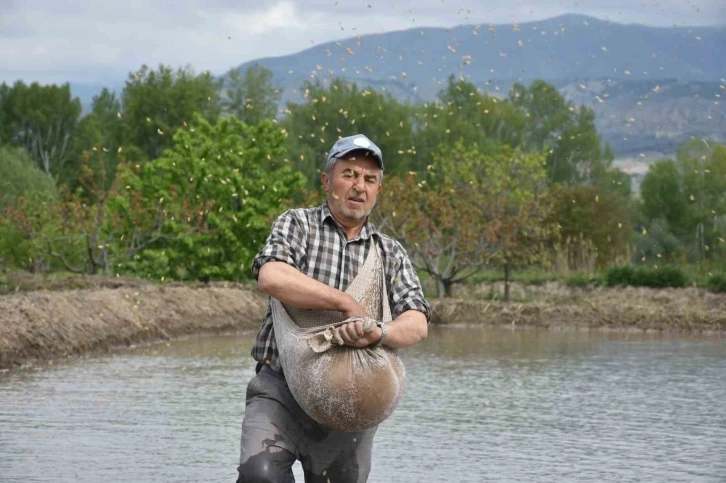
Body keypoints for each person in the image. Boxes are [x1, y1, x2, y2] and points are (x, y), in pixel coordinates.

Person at [235, 134, 431, 483]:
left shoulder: (389, 253)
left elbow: (417, 323)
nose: (359, 186)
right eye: (349, 174)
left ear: (378, 190)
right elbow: (272, 275)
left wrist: (379, 331)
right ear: (327, 181)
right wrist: (344, 303)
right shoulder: (298, 225)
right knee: (259, 475)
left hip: (350, 407)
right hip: (280, 386)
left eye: (370, 180)